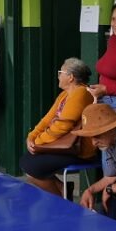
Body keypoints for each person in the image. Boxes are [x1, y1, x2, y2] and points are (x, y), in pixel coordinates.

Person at [18, 58, 96, 195]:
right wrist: (32, 136)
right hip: (61, 144)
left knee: (32, 167)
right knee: (27, 161)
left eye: (61, 72)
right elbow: (47, 119)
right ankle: (62, 189)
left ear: (70, 77)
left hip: (78, 150)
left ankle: (59, 199)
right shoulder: (64, 94)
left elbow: (63, 125)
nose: (58, 76)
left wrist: (38, 142)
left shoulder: (81, 93)